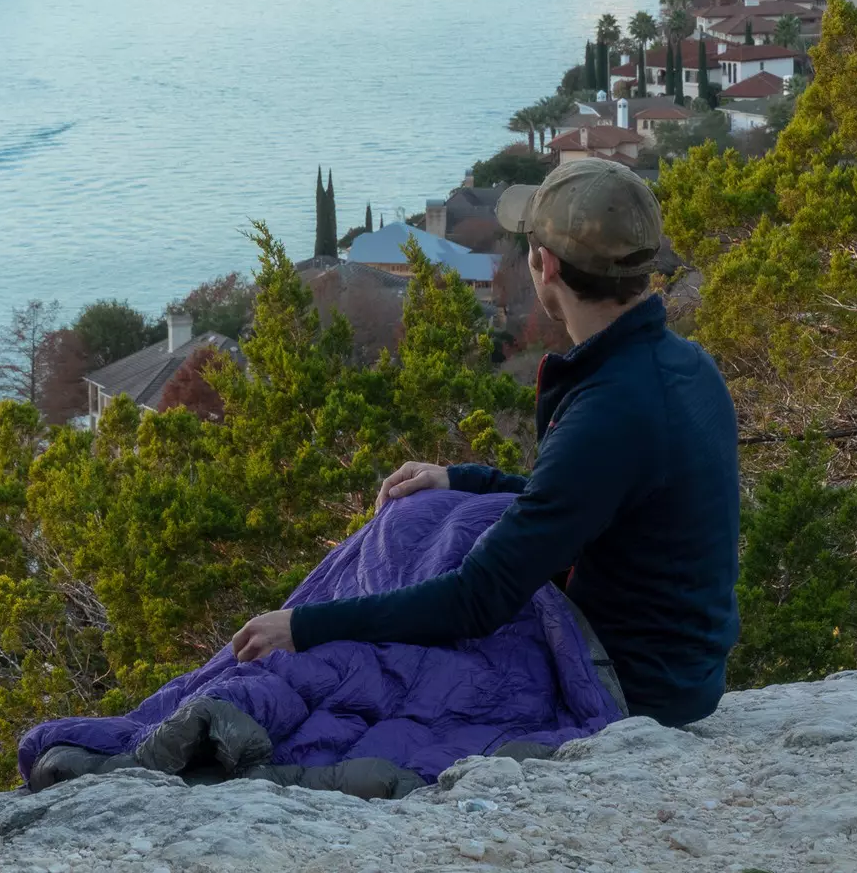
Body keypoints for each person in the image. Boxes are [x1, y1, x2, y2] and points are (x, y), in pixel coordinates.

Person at [230, 157, 740, 728]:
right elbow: (586, 504)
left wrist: (304, 625)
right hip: (681, 670)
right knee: (434, 511)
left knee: (382, 657)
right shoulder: (683, 365)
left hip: (628, 683)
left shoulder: (611, 409)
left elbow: (477, 600)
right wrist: (464, 479)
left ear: (543, 264)